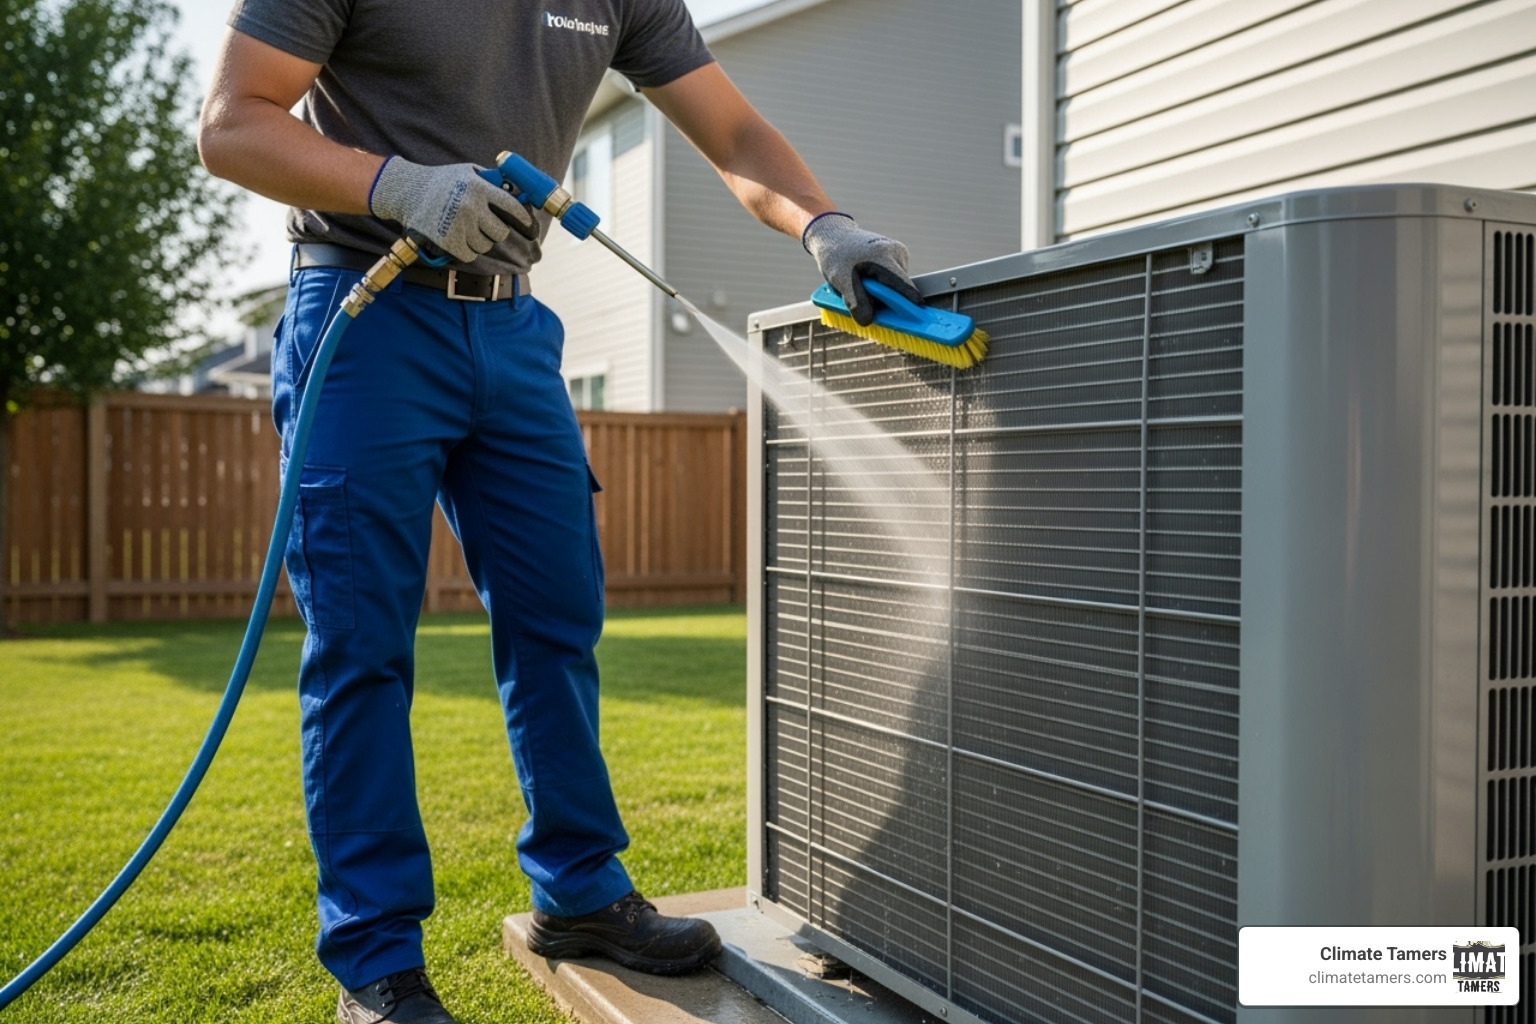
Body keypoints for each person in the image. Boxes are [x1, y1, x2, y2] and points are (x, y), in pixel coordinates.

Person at [198, 3, 920, 1022]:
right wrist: (400, 186)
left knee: (557, 619)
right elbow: (232, 122)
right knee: (360, 646)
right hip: (363, 312)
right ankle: (376, 962)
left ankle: (578, 892)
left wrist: (823, 221)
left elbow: (735, 132)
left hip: (512, 325)